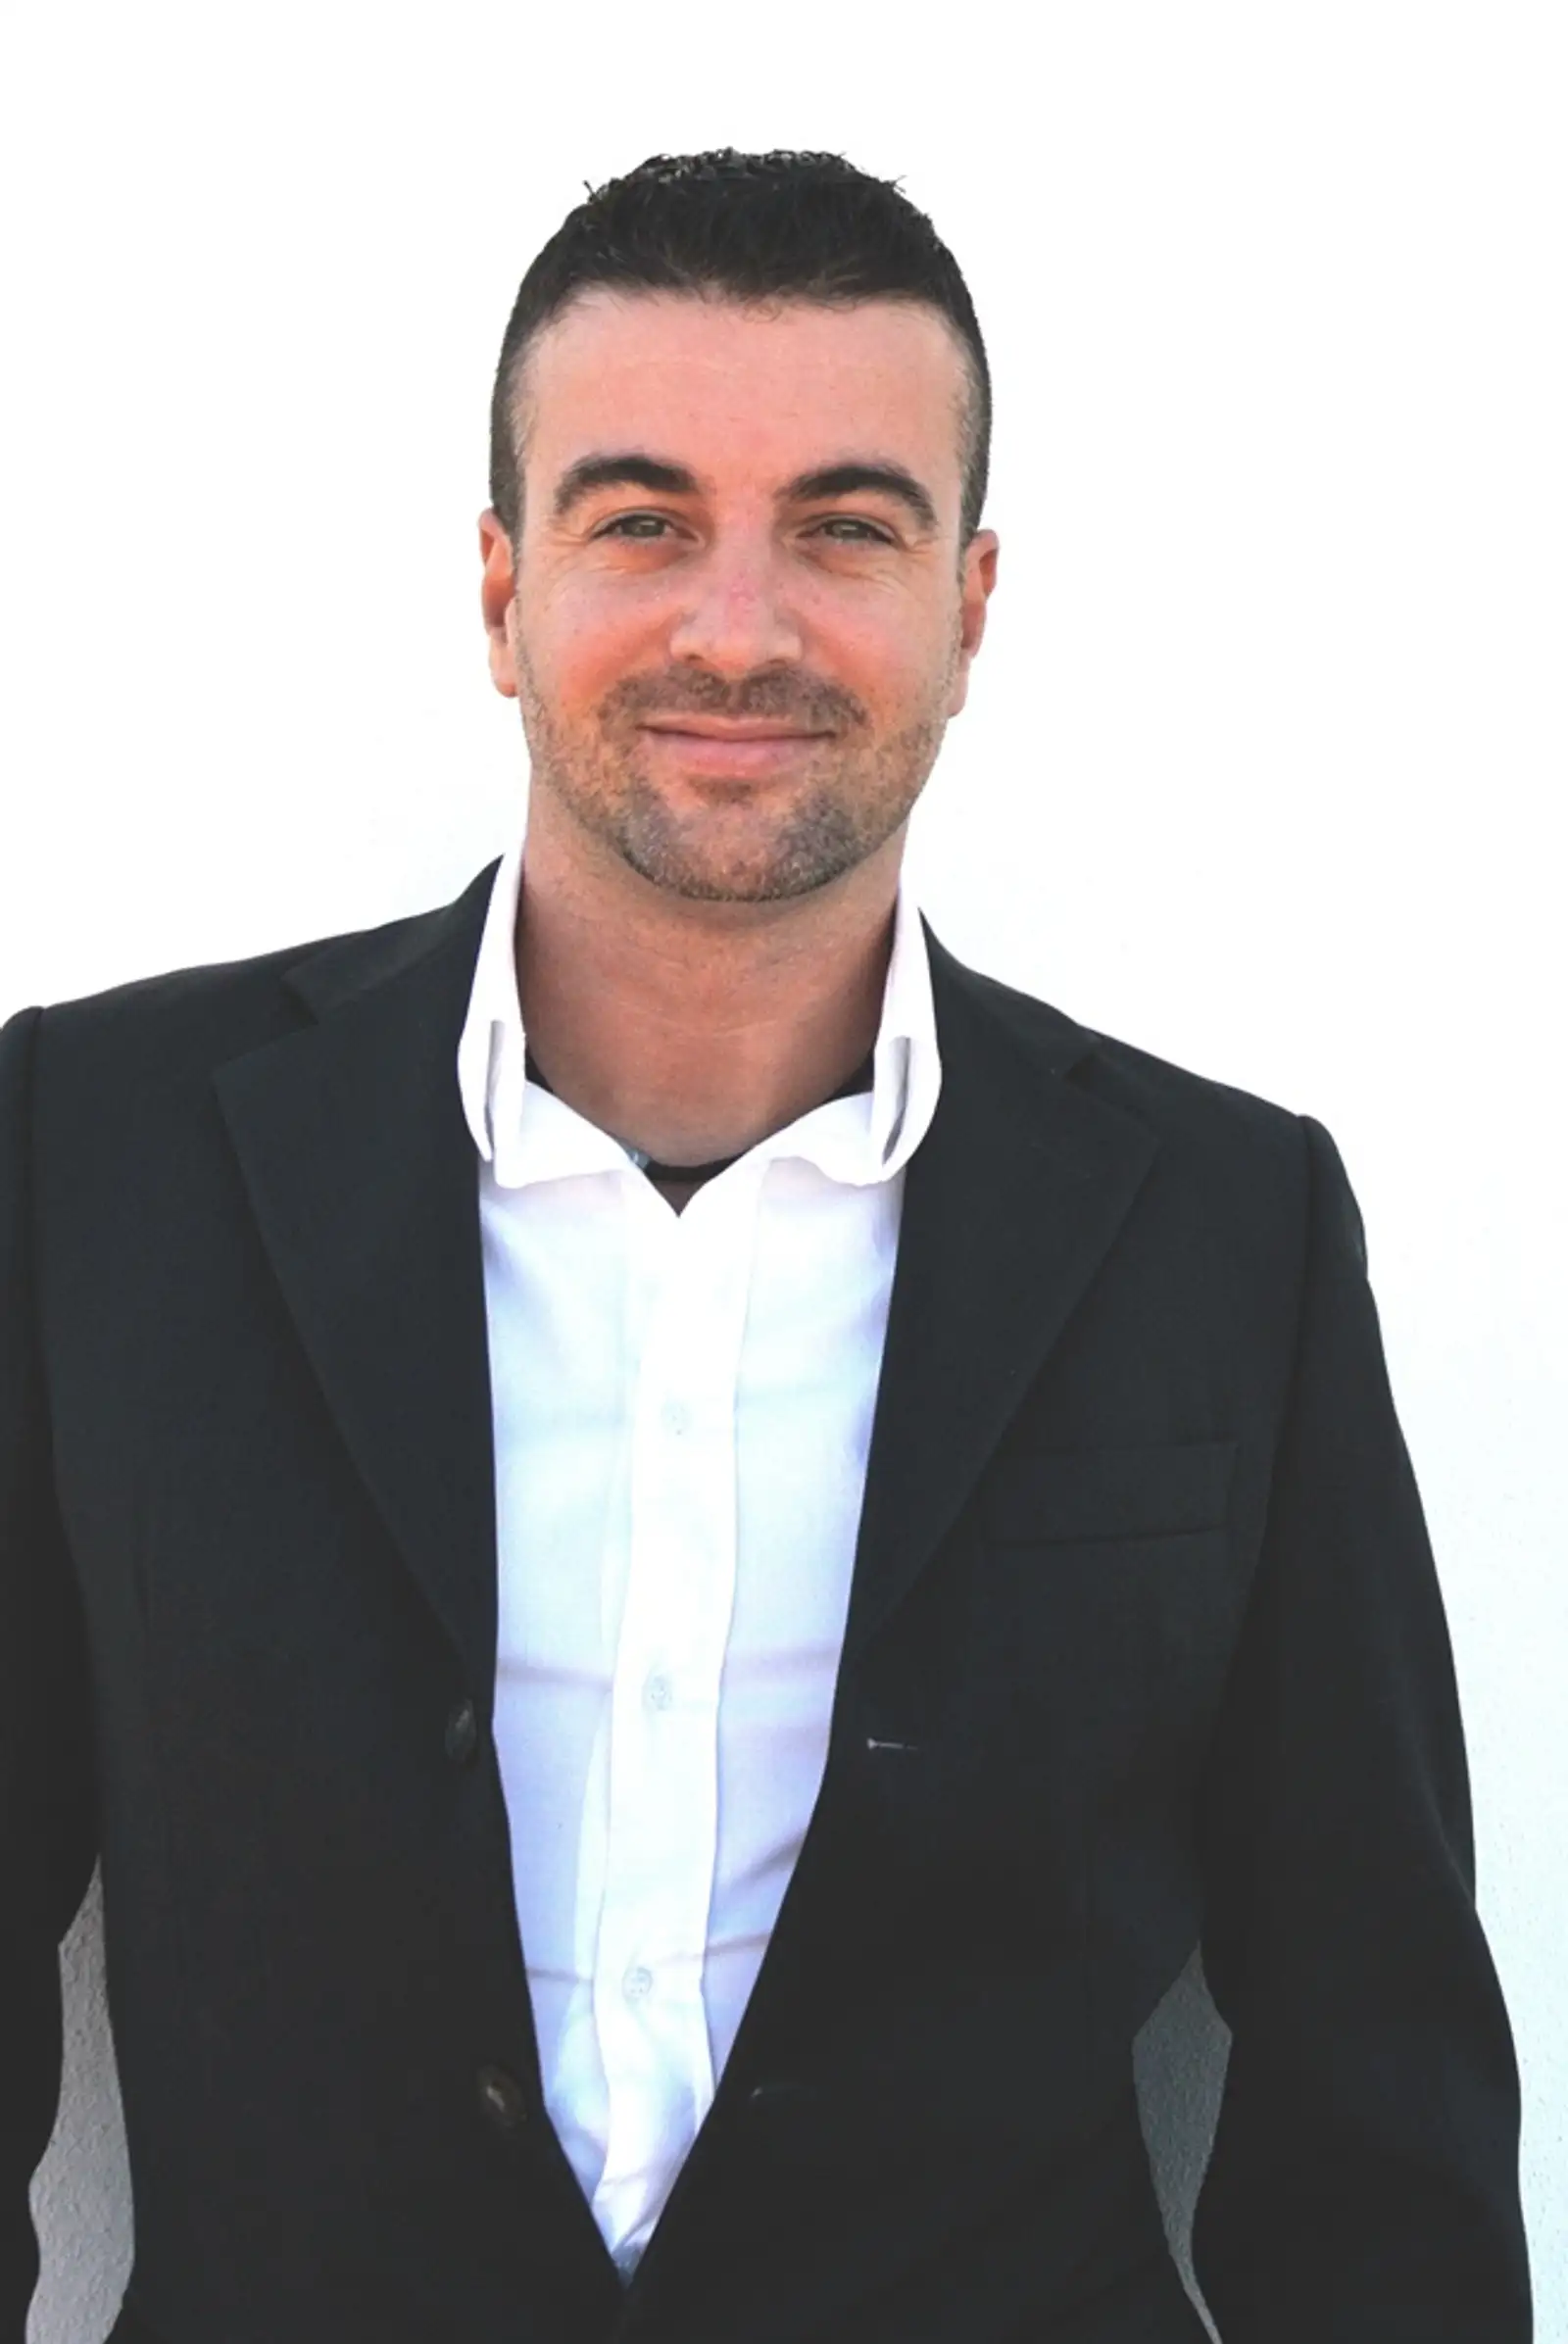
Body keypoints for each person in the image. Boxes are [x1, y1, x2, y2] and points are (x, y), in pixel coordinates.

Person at [0, 148, 1531, 2344]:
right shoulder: (93, 1155)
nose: (739, 627)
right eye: (641, 521)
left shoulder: (1229, 1233)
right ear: (500, 589)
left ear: (969, 606)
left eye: (844, 527)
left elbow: (1378, 2100)